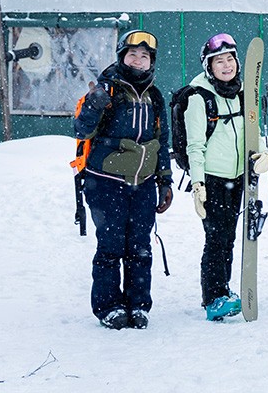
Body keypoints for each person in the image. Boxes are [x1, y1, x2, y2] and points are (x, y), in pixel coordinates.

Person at [73, 29, 174, 329]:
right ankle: (108, 306)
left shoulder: (154, 96)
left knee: (140, 247)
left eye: (145, 56)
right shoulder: (108, 90)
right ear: (122, 57)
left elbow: (161, 139)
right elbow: (82, 130)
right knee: (111, 246)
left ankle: (137, 305)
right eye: (133, 54)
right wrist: (94, 105)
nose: (139, 60)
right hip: (106, 182)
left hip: (142, 183)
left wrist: (165, 180)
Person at [183, 32, 268, 321]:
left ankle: (224, 291)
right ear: (208, 66)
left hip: (239, 178)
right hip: (213, 179)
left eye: (230, 59)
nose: (226, 65)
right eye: (218, 61)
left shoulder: (243, 91)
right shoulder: (199, 96)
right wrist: (198, 184)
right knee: (216, 238)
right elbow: (195, 144)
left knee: (230, 238)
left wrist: (258, 156)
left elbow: (250, 131)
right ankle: (214, 297)